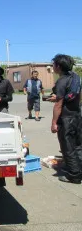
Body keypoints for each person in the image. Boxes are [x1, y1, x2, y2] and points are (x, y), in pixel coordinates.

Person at [47, 54, 82, 184]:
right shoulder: (76, 77)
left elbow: (58, 105)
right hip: (77, 116)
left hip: (66, 118)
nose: (52, 67)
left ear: (59, 66)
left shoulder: (62, 81)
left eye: (53, 64)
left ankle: (74, 175)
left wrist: (54, 123)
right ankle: (79, 169)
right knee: (78, 145)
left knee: (68, 147)